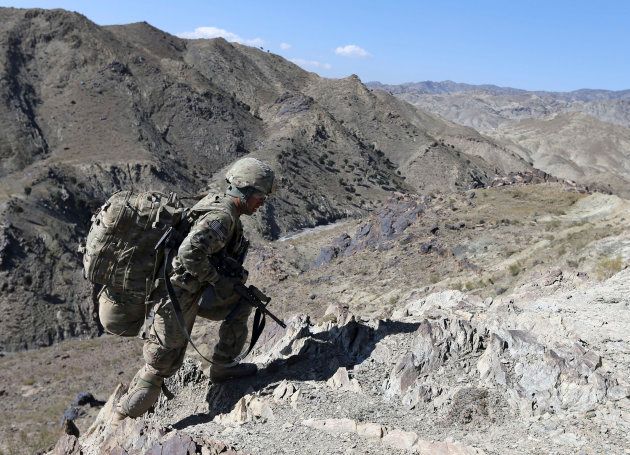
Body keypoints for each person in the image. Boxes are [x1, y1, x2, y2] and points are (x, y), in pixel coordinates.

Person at [98, 157, 276, 424]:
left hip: (192, 290)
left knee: (244, 300)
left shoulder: (219, 205)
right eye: (261, 196)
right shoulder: (222, 217)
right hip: (176, 296)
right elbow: (188, 253)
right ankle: (121, 418)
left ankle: (222, 367)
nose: (262, 202)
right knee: (162, 363)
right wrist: (217, 279)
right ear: (247, 191)